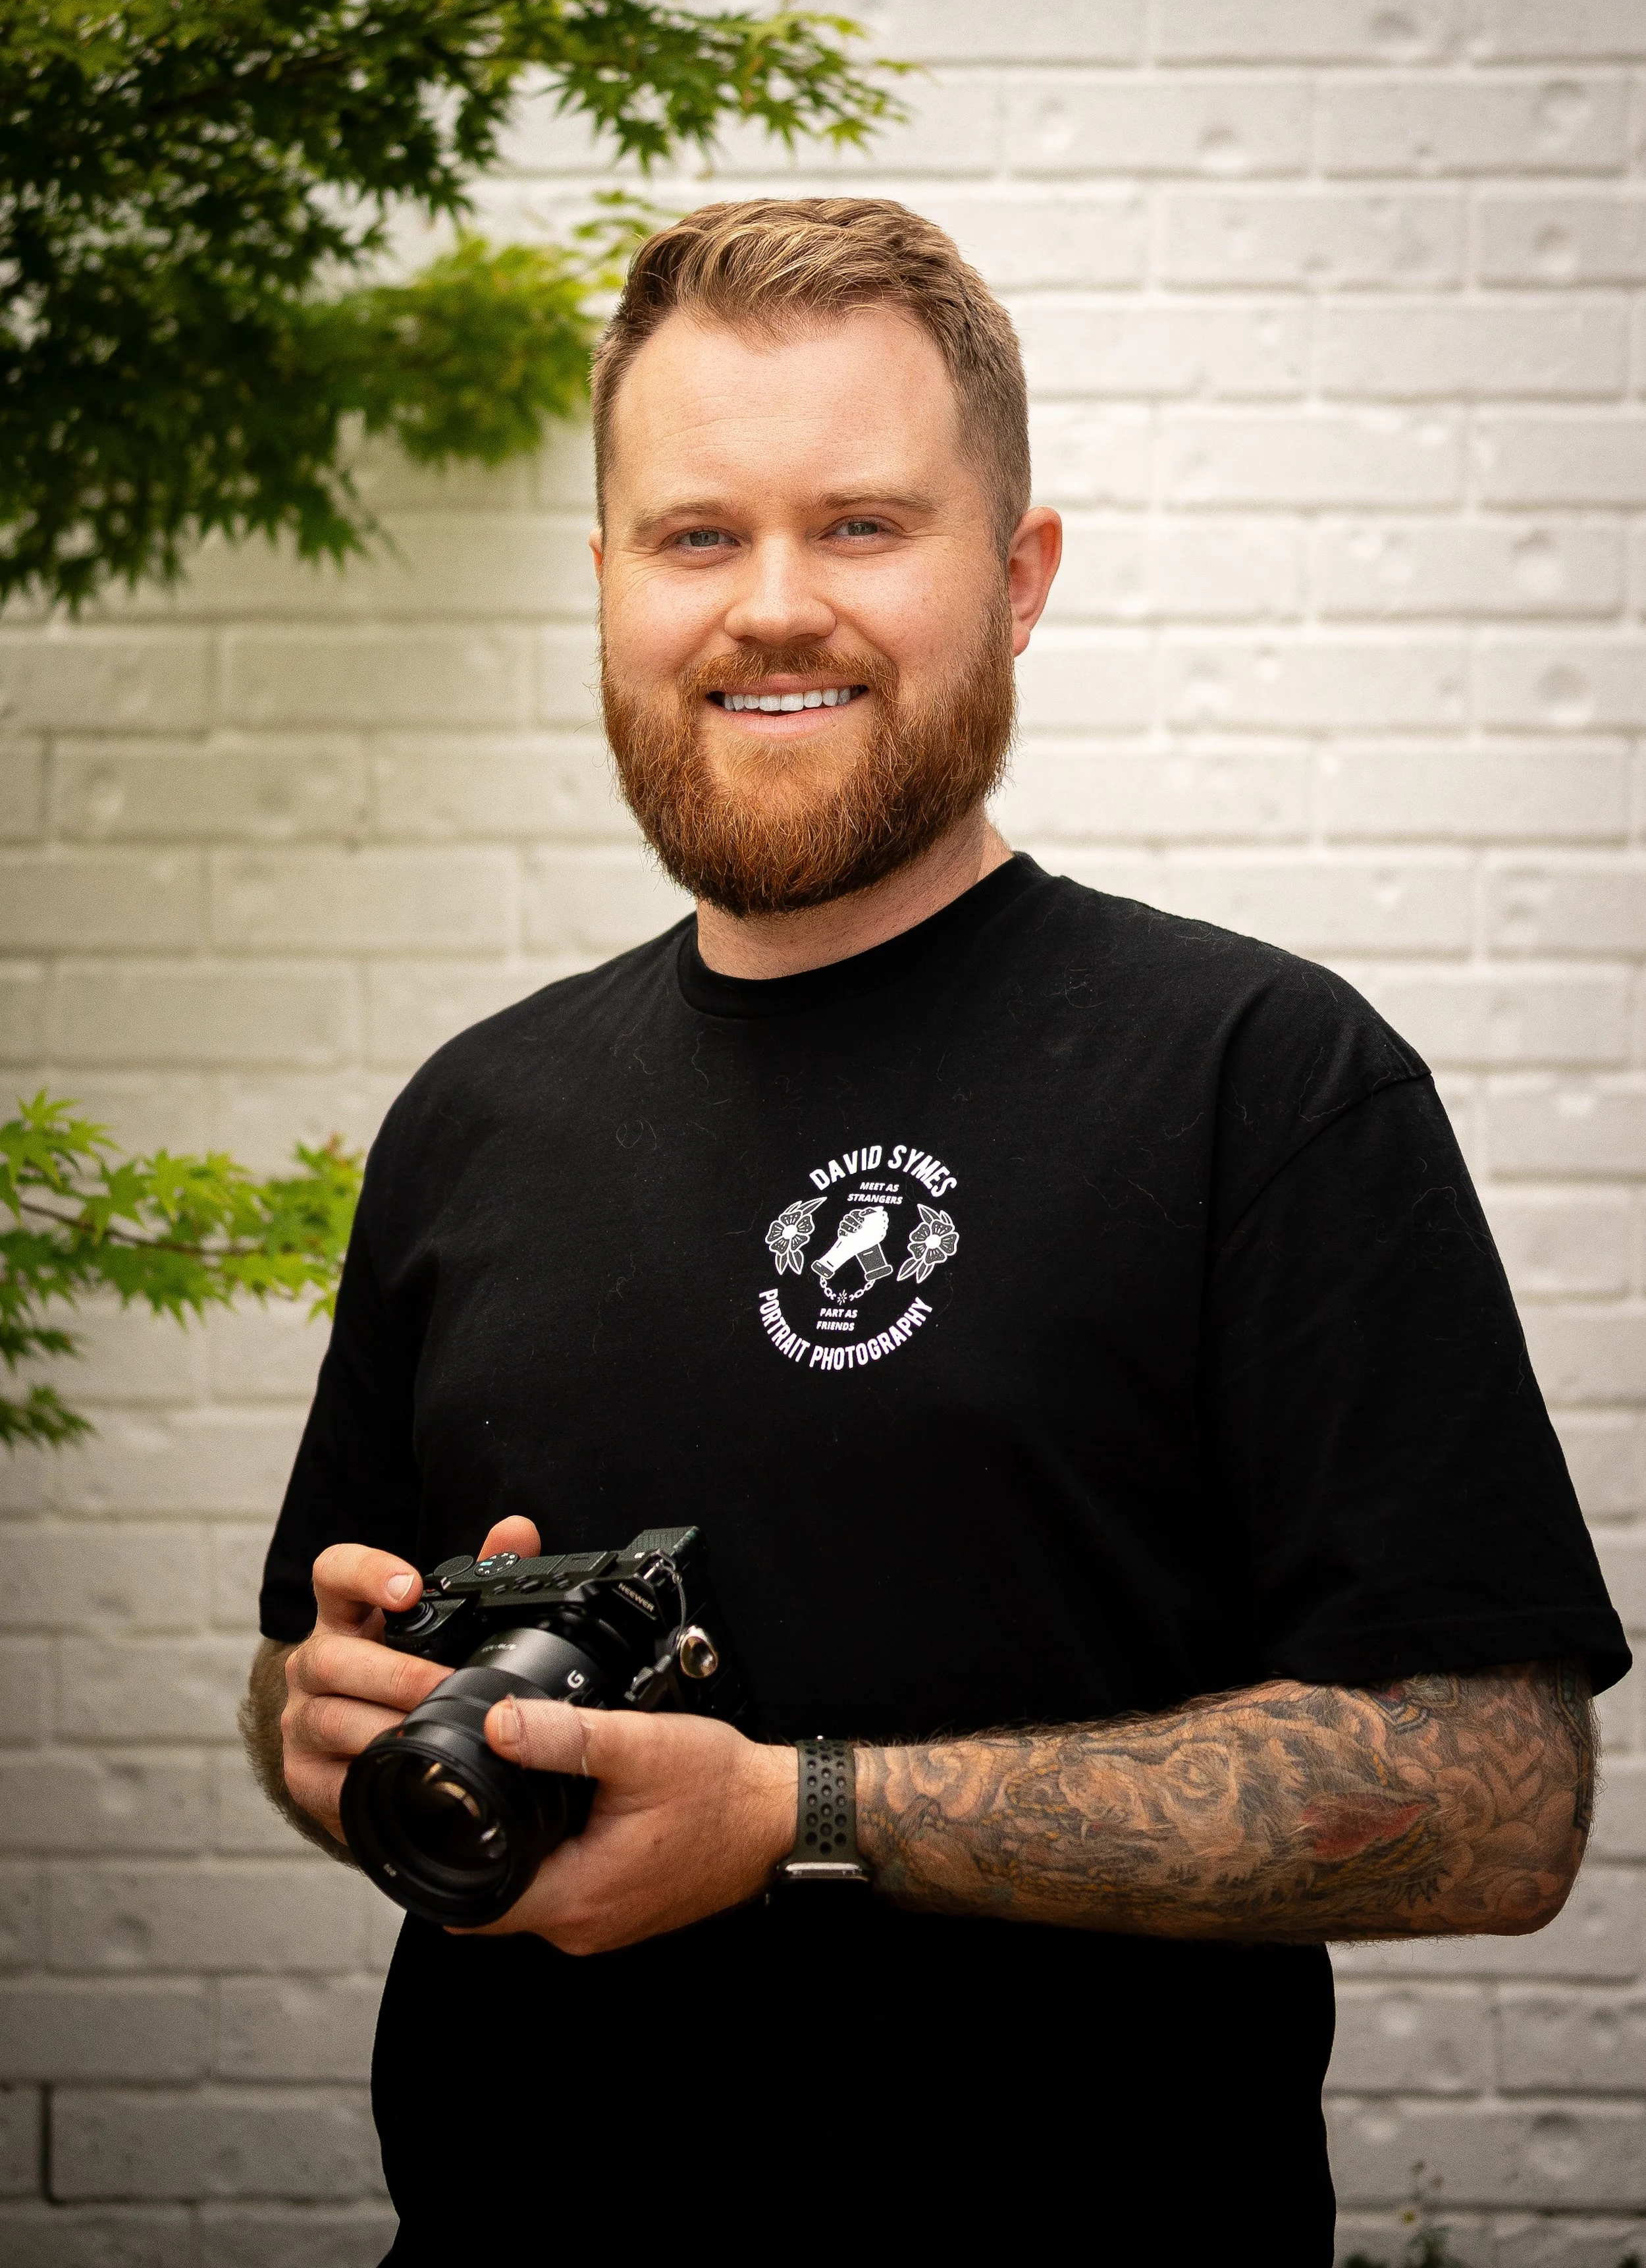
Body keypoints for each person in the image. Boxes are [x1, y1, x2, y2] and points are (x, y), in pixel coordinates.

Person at [245, 199, 1628, 2262]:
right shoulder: (475, 1110)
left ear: (1018, 578)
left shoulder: (1258, 1074)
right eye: (694, 535)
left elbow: (1491, 1800)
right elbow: (301, 1674)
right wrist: (327, 1724)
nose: (770, 607)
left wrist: (802, 1817)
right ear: (611, 581)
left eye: (864, 528)